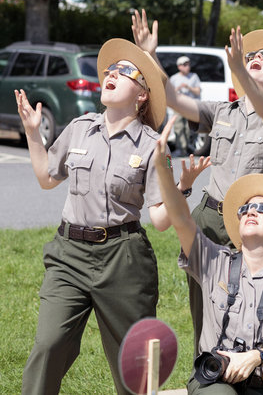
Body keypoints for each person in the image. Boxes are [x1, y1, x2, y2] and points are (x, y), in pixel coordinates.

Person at [131, 9, 263, 362]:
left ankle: (254, 370)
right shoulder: (223, 111)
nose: (256, 58)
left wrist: (240, 68)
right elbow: (175, 99)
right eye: (250, 56)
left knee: (255, 307)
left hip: (251, 226)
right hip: (209, 217)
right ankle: (206, 371)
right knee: (204, 306)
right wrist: (150, 56)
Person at [16, 38, 180, 394]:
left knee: (133, 365)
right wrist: (32, 133)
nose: (111, 73)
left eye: (125, 71)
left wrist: (182, 186)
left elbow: (163, 220)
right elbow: (46, 178)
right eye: (110, 69)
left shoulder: (154, 146)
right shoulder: (79, 127)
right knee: (48, 345)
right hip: (68, 255)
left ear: (142, 95)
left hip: (123, 260)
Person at [153, 116, 263, 394]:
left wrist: (254, 357)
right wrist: (164, 165)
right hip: (217, 380)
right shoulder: (214, 260)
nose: (251, 211)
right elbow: (179, 218)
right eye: (245, 209)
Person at [169, 55, 202, 156]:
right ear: (179, 66)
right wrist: (177, 89)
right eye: (184, 65)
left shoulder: (194, 76)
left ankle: (187, 147)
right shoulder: (174, 78)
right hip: (178, 105)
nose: (187, 66)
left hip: (190, 105)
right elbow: (169, 93)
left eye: (188, 64)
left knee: (189, 128)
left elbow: (198, 91)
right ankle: (181, 148)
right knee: (178, 127)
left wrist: (188, 87)